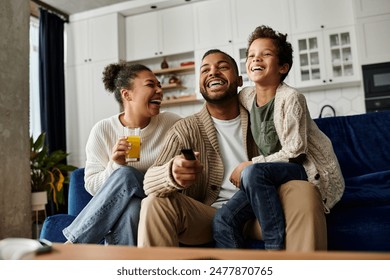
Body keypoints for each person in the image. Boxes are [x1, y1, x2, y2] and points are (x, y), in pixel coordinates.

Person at [137, 49, 327, 250]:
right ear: (200, 85)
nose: (213, 72)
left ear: (238, 81)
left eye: (222, 67)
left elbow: (293, 155)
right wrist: (171, 173)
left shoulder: (263, 116)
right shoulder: (184, 129)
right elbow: (149, 184)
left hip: (264, 210)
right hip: (208, 217)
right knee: (154, 204)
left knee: (305, 190)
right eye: (205, 70)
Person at [213, 25, 345, 250]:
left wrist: (248, 165)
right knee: (222, 220)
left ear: (283, 67)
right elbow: (222, 99)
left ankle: (275, 248)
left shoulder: (291, 98)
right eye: (252, 55)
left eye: (266, 54)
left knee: (253, 172)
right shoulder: (246, 96)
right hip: (269, 174)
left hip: (303, 168)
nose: (257, 59)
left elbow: (295, 151)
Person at [62, 62, 181, 245]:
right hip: (133, 208)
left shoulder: (171, 123)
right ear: (127, 94)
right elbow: (92, 186)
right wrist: (115, 164)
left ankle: (72, 246)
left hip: (160, 200)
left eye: (159, 85)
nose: (159, 90)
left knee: (126, 174)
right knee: (132, 207)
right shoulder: (103, 130)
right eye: (151, 84)